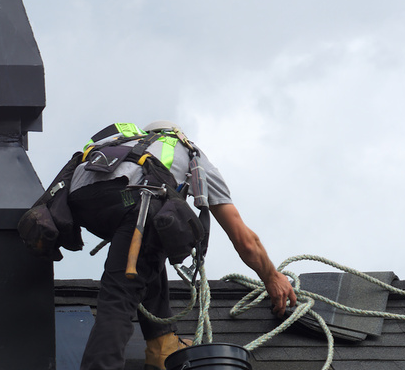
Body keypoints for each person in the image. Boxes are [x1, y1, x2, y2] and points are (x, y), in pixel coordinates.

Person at [66, 121, 296, 370]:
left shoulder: (121, 143)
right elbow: (244, 240)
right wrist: (272, 277)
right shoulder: (188, 151)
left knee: (150, 248)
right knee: (119, 294)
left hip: (83, 202)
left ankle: (161, 346)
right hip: (135, 201)